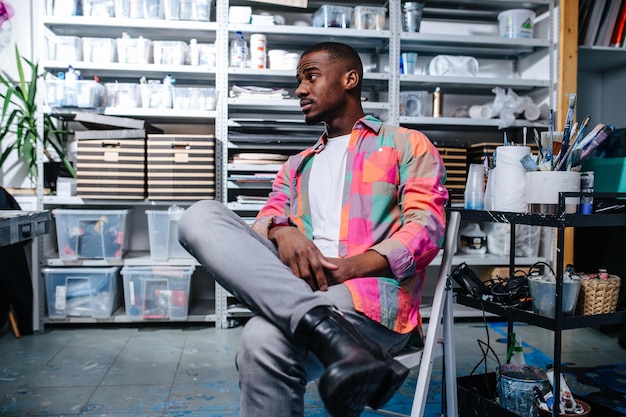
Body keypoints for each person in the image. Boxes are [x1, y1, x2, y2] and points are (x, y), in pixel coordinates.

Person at [178, 42, 448, 417]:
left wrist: (350, 267)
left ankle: (338, 338)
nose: (300, 90)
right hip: (303, 289)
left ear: (350, 79)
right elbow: (264, 223)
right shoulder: (296, 166)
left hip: (371, 298)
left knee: (260, 338)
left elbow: (426, 230)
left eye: (311, 77)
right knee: (199, 215)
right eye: (298, 81)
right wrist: (282, 232)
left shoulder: (405, 145)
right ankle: (334, 338)